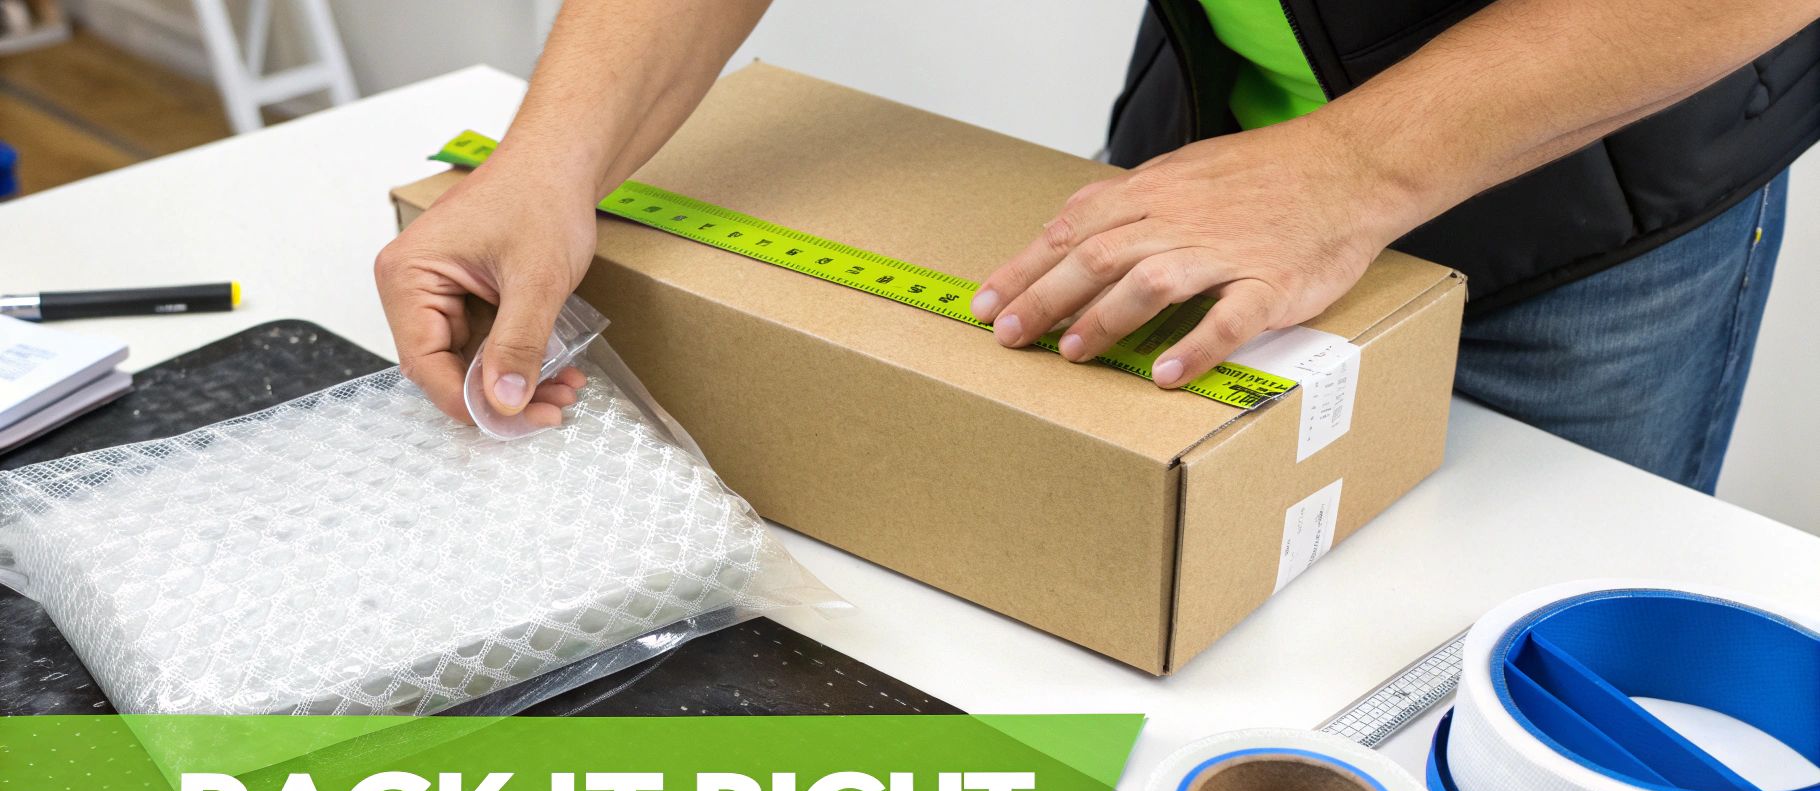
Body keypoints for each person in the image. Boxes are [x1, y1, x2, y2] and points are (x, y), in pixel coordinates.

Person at [376, 0, 1820, 493]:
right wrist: (552, 159)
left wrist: (1344, 172)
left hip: (1582, 191)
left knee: (1508, 734)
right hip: (1218, 133)